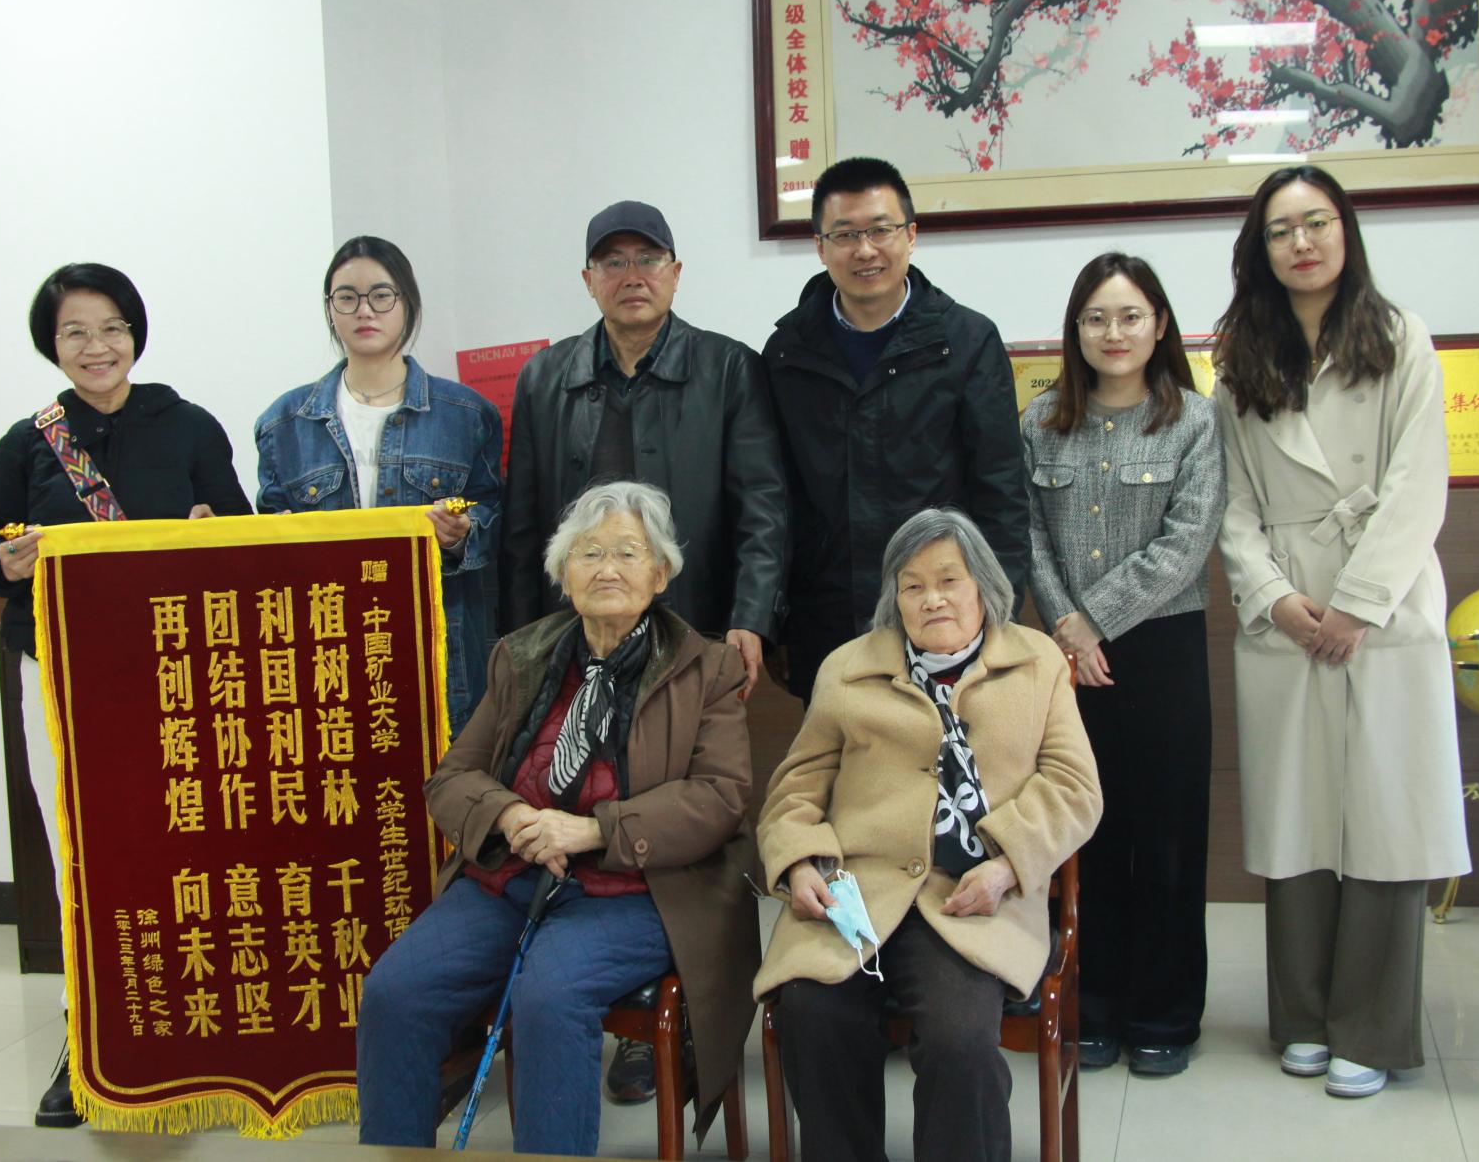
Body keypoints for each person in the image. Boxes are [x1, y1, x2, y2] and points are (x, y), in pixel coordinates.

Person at [357, 482, 761, 1155]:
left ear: (661, 574)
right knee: (396, 990)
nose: (607, 568)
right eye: (589, 553)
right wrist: (509, 813)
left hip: (641, 887)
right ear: (563, 574)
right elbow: (452, 778)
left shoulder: (707, 667)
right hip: (513, 877)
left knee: (550, 993)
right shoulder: (522, 655)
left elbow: (720, 796)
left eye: (628, 553)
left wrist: (597, 828)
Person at [498, 199, 785, 1101]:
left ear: (676, 271)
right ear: (588, 279)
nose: (632, 276)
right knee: (586, 800)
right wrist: (521, 651)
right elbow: (523, 525)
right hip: (576, 646)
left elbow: (764, 505)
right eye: (613, 262)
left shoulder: (727, 367)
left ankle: (684, 1006)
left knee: (679, 814)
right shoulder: (547, 378)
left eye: (648, 258)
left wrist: (750, 616)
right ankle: (589, 988)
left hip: (689, 644)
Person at [0, 263, 252, 1128]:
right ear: (52, 346)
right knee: (81, 850)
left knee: (183, 842)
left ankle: (195, 1018)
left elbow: (247, 537)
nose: (97, 347)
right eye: (75, 332)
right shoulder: (28, 442)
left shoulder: (190, 425)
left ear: (135, 333)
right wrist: (5, 561)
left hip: (174, 676)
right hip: (62, 675)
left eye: (111, 328)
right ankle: (89, 1030)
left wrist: (216, 533)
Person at [1212, 165, 1469, 1099]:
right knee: (1299, 816)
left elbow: (1419, 484)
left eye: (1316, 222)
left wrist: (1358, 604)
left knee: (1388, 818)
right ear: (1261, 250)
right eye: (1280, 230)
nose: (1301, 243)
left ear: (1346, 231)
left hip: (1383, 602)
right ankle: (1305, 1016)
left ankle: (1372, 1025)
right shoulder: (1241, 357)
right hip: (1287, 611)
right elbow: (1233, 503)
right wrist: (1276, 598)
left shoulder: (1400, 339)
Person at [755, 508, 1101, 1162]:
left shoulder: (1037, 662)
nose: (931, 598)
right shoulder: (847, 667)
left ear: (983, 586)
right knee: (812, 1013)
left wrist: (1007, 863)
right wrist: (799, 863)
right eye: (912, 585)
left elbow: (1074, 787)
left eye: (948, 580)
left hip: (970, 894)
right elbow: (795, 790)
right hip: (856, 891)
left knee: (959, 1039)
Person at [1021, 252, 1224, 1077]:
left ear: (1160, 324)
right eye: (1097, 317)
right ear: (1076, 330)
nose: (1114, 332)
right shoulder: (1040, 422)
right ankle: (1090, 1006)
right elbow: (1027, 535)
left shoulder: (1194, 421)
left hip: (1163, 647)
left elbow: (1188, 541)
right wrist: (1067, 626)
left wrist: (1093, 619)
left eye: (1131, 315)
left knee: (1167, 836)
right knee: (1086, 833)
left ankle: (1165, 1014)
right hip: (1067, 656)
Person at [763, 157, 1030, 702]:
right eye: (844, 234)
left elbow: (1001, 492)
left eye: (881, 230)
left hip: (944, 615)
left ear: (910, 235)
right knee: (840, 755)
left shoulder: (968, 342)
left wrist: (999, 613)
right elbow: (776, 500)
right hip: (827, 617)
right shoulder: (787, 352)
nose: (865, 250)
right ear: (820, 247)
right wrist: (775, 618)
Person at [254, 235, 503, 733]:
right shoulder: (284, 423)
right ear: (330, 309)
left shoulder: (465, 415)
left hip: (438, 651)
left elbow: (493, 514)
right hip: (327, 652)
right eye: (347, 297)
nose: (364, 310)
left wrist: (462, 535)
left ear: (407, 303)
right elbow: (270, 539)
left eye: (381, 295)